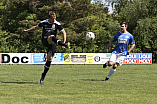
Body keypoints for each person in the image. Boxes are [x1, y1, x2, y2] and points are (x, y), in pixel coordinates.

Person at [22, 11, 70, 83]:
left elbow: (64, 32)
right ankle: (64, 45)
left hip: (53, 42)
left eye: (55, 18)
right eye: (52, 19)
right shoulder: (44, 22)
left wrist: (64, 41)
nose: (54, 20)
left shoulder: (57, 24)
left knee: (49, 60)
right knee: (51, 36)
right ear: (49, 18)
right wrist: (27, 30)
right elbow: (36, 27)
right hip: (45, 40)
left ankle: (43, 76)